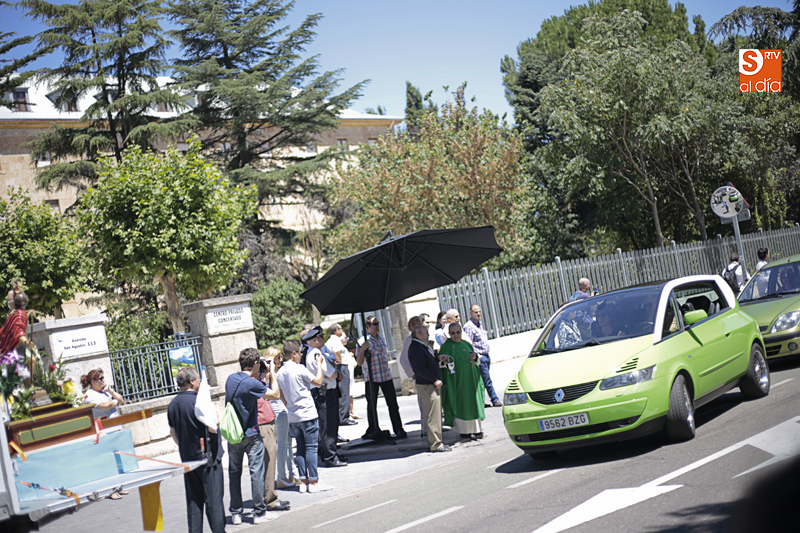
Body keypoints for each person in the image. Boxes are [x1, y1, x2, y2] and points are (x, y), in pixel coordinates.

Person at [168, 367, 225, 533]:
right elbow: (214, 426)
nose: (200, 381)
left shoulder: (173, 404)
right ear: (192, 381)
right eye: (198, 379)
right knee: (213, 501)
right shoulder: (199, 402)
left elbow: (174, 433)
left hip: (188, 458)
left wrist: (186, 447)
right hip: (208, 457)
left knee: (194, 502)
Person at [276, 339, 332, 493]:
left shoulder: (280, 372)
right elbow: (319, 381)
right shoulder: (299, 368)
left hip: (293, 415)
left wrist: (290, 405)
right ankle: (314, 482)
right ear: (293, 353)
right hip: (307, 413)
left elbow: (280, 394)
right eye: (299, 352)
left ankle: (303, 481)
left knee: (300, 448)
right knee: (311, 448)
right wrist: (319, 363)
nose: (301, 354)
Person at [225, 349, 270, 525]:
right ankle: (259, 513)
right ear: (256, 363)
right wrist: (270, 373)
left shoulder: (231, 379)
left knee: (234, 473)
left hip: (233, 434)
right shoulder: (253, 383)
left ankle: (236, 513)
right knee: (256, 472)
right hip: (251, 433)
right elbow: (273, 394)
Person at [302, 326, 347, 468]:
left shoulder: (309, 352)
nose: (322, 340)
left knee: (325, 426)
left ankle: (329, 453)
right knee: (329, 426)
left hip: (321, 393)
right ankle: (331, 457)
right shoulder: (316, 353)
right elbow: (330, 373)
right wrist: (339, 375)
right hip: (325, 393)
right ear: (316, 340)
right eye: (321, 338)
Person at [252, 348, 290, 514]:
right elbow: (275, 394)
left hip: (265, 419)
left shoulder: (254, 380)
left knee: (264, 462)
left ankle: (264, 498)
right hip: (266, 421)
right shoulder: (261, 379)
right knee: (270, 458)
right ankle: (269, 499)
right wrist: (272, 372)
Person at [356, 315, 406, 440]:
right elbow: (359, 362)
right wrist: (362, 350)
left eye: (378, 323)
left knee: (393, 404)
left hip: (385, 375)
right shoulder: (363, 341)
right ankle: (373, 429)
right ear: (368, 326)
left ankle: (398, 429)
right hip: (372, 378)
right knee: (372, 406)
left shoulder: (381, 338)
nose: (378, 326)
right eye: (375, 324)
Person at [438, 322, 486, 439]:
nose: (456, 335)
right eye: (453, 333)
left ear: (461, 332)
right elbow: (440, 364)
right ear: (449, 334)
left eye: (458, 332)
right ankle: (465, 431)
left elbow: (476, 360)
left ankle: (477, 429)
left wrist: (475, 358)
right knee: (462, 404)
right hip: (457, 382)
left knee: (473, 403)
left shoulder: (466, 344)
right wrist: (445, 360)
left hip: (471, 381)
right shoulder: (446, 347)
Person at [408, 325, 450, 453]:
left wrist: (437, 359)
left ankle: (435, 441)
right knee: (433, 415)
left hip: (429, 384)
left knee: (435, 414)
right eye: (426, 333)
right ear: (419, 335)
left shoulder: (420, 346)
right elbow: (420, 369)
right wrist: (434, 379)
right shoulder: (416, 348)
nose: (428, 335)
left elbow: (426, 363)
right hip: (427, 385)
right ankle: (436, 444)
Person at [267, 347, 297, 490]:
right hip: (279, 411)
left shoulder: (271, 373)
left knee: (288, 443)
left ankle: (291, 473)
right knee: (283, 444)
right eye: (278, 357)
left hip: (281, 411)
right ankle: (282, 476)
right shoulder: (270, 374)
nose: (281, 359)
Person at [463, 305, 502, 407]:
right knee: (486, 379)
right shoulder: (469, 326)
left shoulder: (479, 324)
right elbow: (468, 343)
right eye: (476, 312)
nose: (478, 314)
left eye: (480, 312)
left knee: (482, 380)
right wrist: (476, 356)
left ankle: (479, 401)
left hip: (486, 356)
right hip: (479, 357)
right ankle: (494, 399)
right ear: (470, 313)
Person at [398, 316, 428, 436]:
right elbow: (403, 360)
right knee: (424, 403)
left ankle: (434, 427)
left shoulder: (423, 339)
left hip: (428, 376)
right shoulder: (409, 340)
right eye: (416, 325)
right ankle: (426, 430)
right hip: (420, 377)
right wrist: (413, 373)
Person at [324, 323, 357, 425]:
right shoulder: (335, 340)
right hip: (341, 366)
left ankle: (342, 416)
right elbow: (336, 351)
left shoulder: (333, 340)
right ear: (336, 330)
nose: (342, 331)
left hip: (340, 366)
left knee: (343, 392)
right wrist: (339, 361)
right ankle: (344, 417)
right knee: (344, 392)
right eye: (341, 329)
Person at [0, 292, 34, 356]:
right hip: (14, 348)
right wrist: (27, 343)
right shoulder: (20, 315)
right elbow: (19, 333)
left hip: (8, 346)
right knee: (32, 360)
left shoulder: (13, 313)